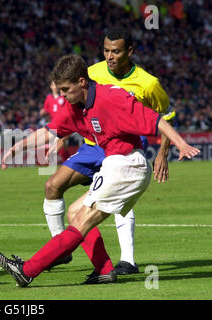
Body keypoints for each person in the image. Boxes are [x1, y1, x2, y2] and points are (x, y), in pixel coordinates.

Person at [0, 54, 200, 287]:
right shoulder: (75, 107)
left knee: (80, 221)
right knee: (74, 212)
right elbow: (48, 131)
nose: (61, 95)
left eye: (65, 89)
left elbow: (156, 120)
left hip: (127, 165)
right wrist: (15, 148)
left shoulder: (112, 97)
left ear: (82, 82)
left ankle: (28, 270)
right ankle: (103, 269)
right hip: (114, 165)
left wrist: (181, 144)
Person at [41, 27, 176, 275]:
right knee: (52, 185)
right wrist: (61, 135)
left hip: (126, 146)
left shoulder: (149, 83)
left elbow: (166, 115)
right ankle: (61, 247)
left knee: (118, 196)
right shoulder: (92, 72)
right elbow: (75, 102)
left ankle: (128, 260)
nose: (109, 56)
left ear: (130, 51)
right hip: (94, 145)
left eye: (115, 51)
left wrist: (163, 154)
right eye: (106, 50)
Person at [40, 81, 70, 162]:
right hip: (53, 125)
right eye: (53, 84)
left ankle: (67, 163)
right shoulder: (49, 98)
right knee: (58, 146)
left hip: (63, 125)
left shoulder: (63, 96)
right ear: (51, 86)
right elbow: (46, 109)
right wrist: (43, 112)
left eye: (57, 84)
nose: (55, 86)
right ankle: (65, 162)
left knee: (61, 146)